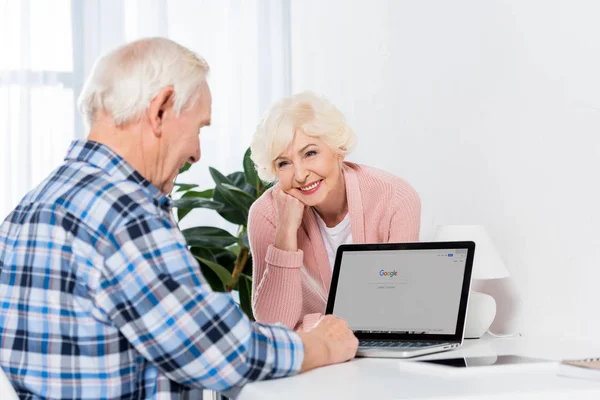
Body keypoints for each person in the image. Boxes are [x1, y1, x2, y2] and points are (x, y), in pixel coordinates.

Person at [0, 38, 358, 399]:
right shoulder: (123, 212)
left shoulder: (27, 210)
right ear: (161, 110)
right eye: (199, 128)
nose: (197, 154)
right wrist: (320, 346)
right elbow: (215, 349)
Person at [249, 91, 421, 331]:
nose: (300, 175)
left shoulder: (395, 199)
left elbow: (393, 308)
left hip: (383, 358)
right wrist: (286, 232)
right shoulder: (266, 214)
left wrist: (313, 325)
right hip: (311, 363)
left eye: (310, 153)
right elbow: (273, 328)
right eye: (284, 163)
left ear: (338, 150)